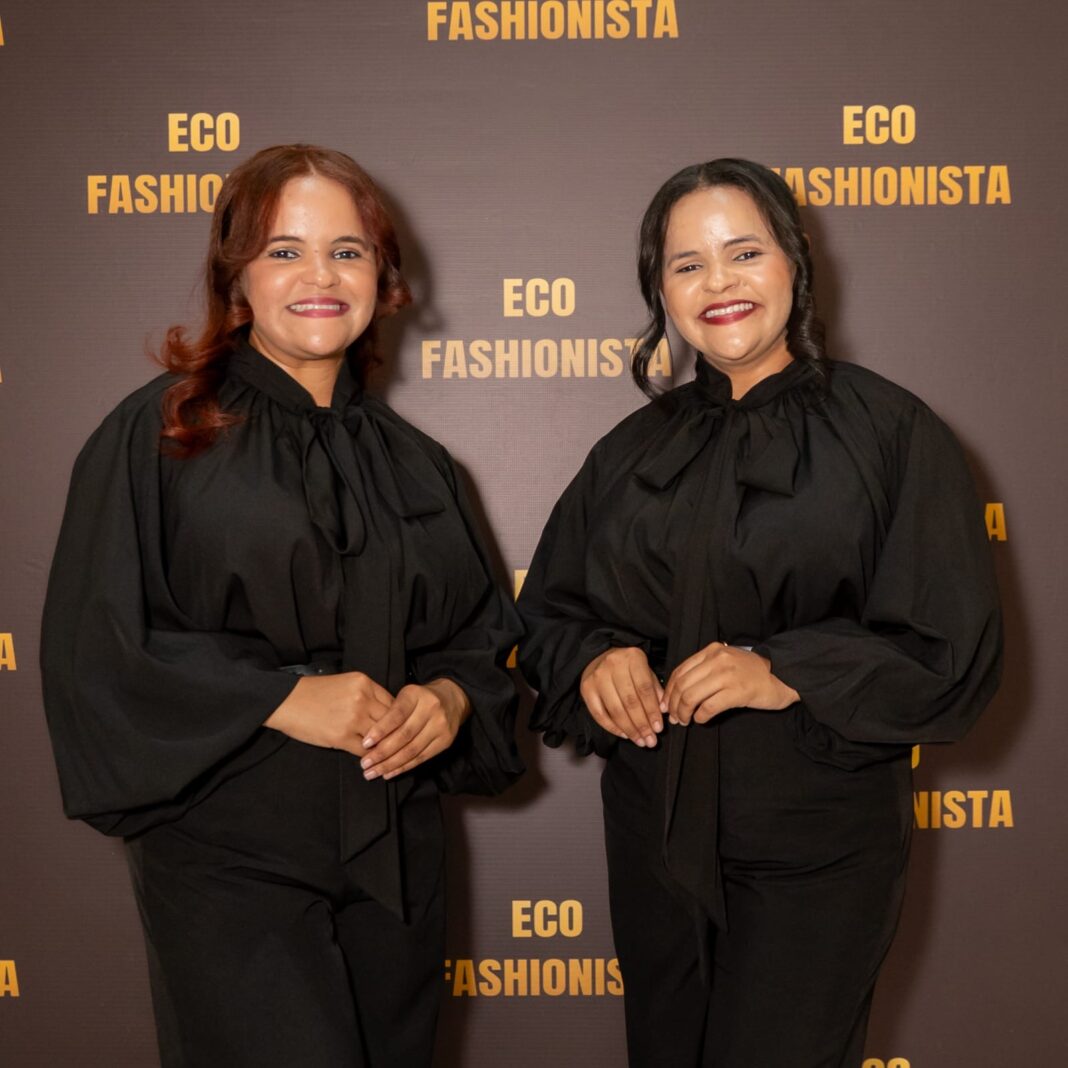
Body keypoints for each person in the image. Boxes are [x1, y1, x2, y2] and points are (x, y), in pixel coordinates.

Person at [40, 144, 522, 1068]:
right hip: (227, 855)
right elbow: (96, 647)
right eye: (284, 251)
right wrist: (282, 696)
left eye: (347, 251)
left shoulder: (423, 465)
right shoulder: (157, 434)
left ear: (382, 276)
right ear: (238, 280)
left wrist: (451, 700)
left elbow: (483, 644)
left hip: (399, 855)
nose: (320, 276)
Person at [517, 159, 1002, 1067]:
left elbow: (950, 648)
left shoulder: (893, 432)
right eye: (687, 264)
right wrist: (594, 659)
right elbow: (548, 613)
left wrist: (786, 670)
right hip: (654, 833)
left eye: (743, 252)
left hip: (821, 841)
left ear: (794, 261)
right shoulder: (626, 452)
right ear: (660, 290)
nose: (719, 283)